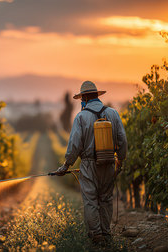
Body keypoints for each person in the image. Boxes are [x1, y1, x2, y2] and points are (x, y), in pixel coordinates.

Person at [55, 81, 127, 243]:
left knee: (91, 199)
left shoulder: (81, 117)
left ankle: (96, 235)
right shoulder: (113, 114)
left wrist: (66, 165)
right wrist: (120, 161)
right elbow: (122, 140)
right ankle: (106, 233)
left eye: (82, 99)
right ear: (97, 96)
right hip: (109, 162)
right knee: (106, 198)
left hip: (88, 164)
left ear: (85, 98)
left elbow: (74, 146)